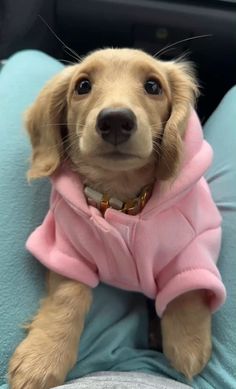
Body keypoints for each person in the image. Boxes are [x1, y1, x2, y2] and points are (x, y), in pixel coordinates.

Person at [0, 50, 235, 389]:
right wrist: (59, 320)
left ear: (174, 115)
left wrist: (186, 297)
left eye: (152, 87)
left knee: (28, 62)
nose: (115, 112)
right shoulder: (68, 211)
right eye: (83, 87)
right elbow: (66, 252)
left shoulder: (188, 210)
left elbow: (196, 241)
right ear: (61, 118)